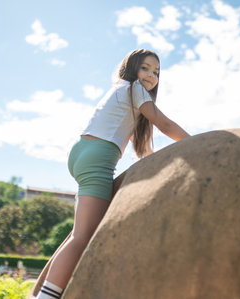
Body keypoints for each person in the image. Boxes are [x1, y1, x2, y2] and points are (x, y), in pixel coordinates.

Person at [35, 49, 190, 299]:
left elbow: (143, 150)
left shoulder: (122, 91)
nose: (151, 75)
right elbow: (166, 124)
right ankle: (44, 297)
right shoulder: (134, 89)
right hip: (99, 156)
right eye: (145, 68)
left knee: (79, 231)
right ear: (131, 68)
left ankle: (42, 292)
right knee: (83, 237)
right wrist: (197, 144)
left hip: (82, 152)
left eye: (156, 72)